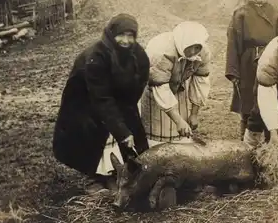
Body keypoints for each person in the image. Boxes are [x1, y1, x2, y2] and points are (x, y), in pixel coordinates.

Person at [52, 13, 150, 193]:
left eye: (131, 36)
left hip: (114, 101)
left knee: (128, 136)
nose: (126, 41)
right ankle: (94, 178)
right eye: (121, 35)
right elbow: (101, 98)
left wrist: (126, 118)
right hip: (85, 104)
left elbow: (138, 84)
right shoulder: (96, 56)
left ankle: (115, 174)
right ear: (112, 34)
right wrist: (121, 129)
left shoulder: (138, 55)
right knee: (95, 137)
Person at [226, 0, 278, 141]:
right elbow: (233, 42)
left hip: (273, 62)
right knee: (248, 104)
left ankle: (272, 141)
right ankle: (245, 143)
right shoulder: (241, 14)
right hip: (248, 64)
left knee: (273, 101)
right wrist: (233, 71)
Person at [140, 21, 211, 146]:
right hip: (156, 91)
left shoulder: (203, 52)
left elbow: (200, 81)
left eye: (197, 47)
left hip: (179, 89)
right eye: (191, 47)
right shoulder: (161, 51)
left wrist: (194, 114)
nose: (194, 51)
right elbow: (160, 87)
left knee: (182, 139)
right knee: (157, 142)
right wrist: (178, 121)